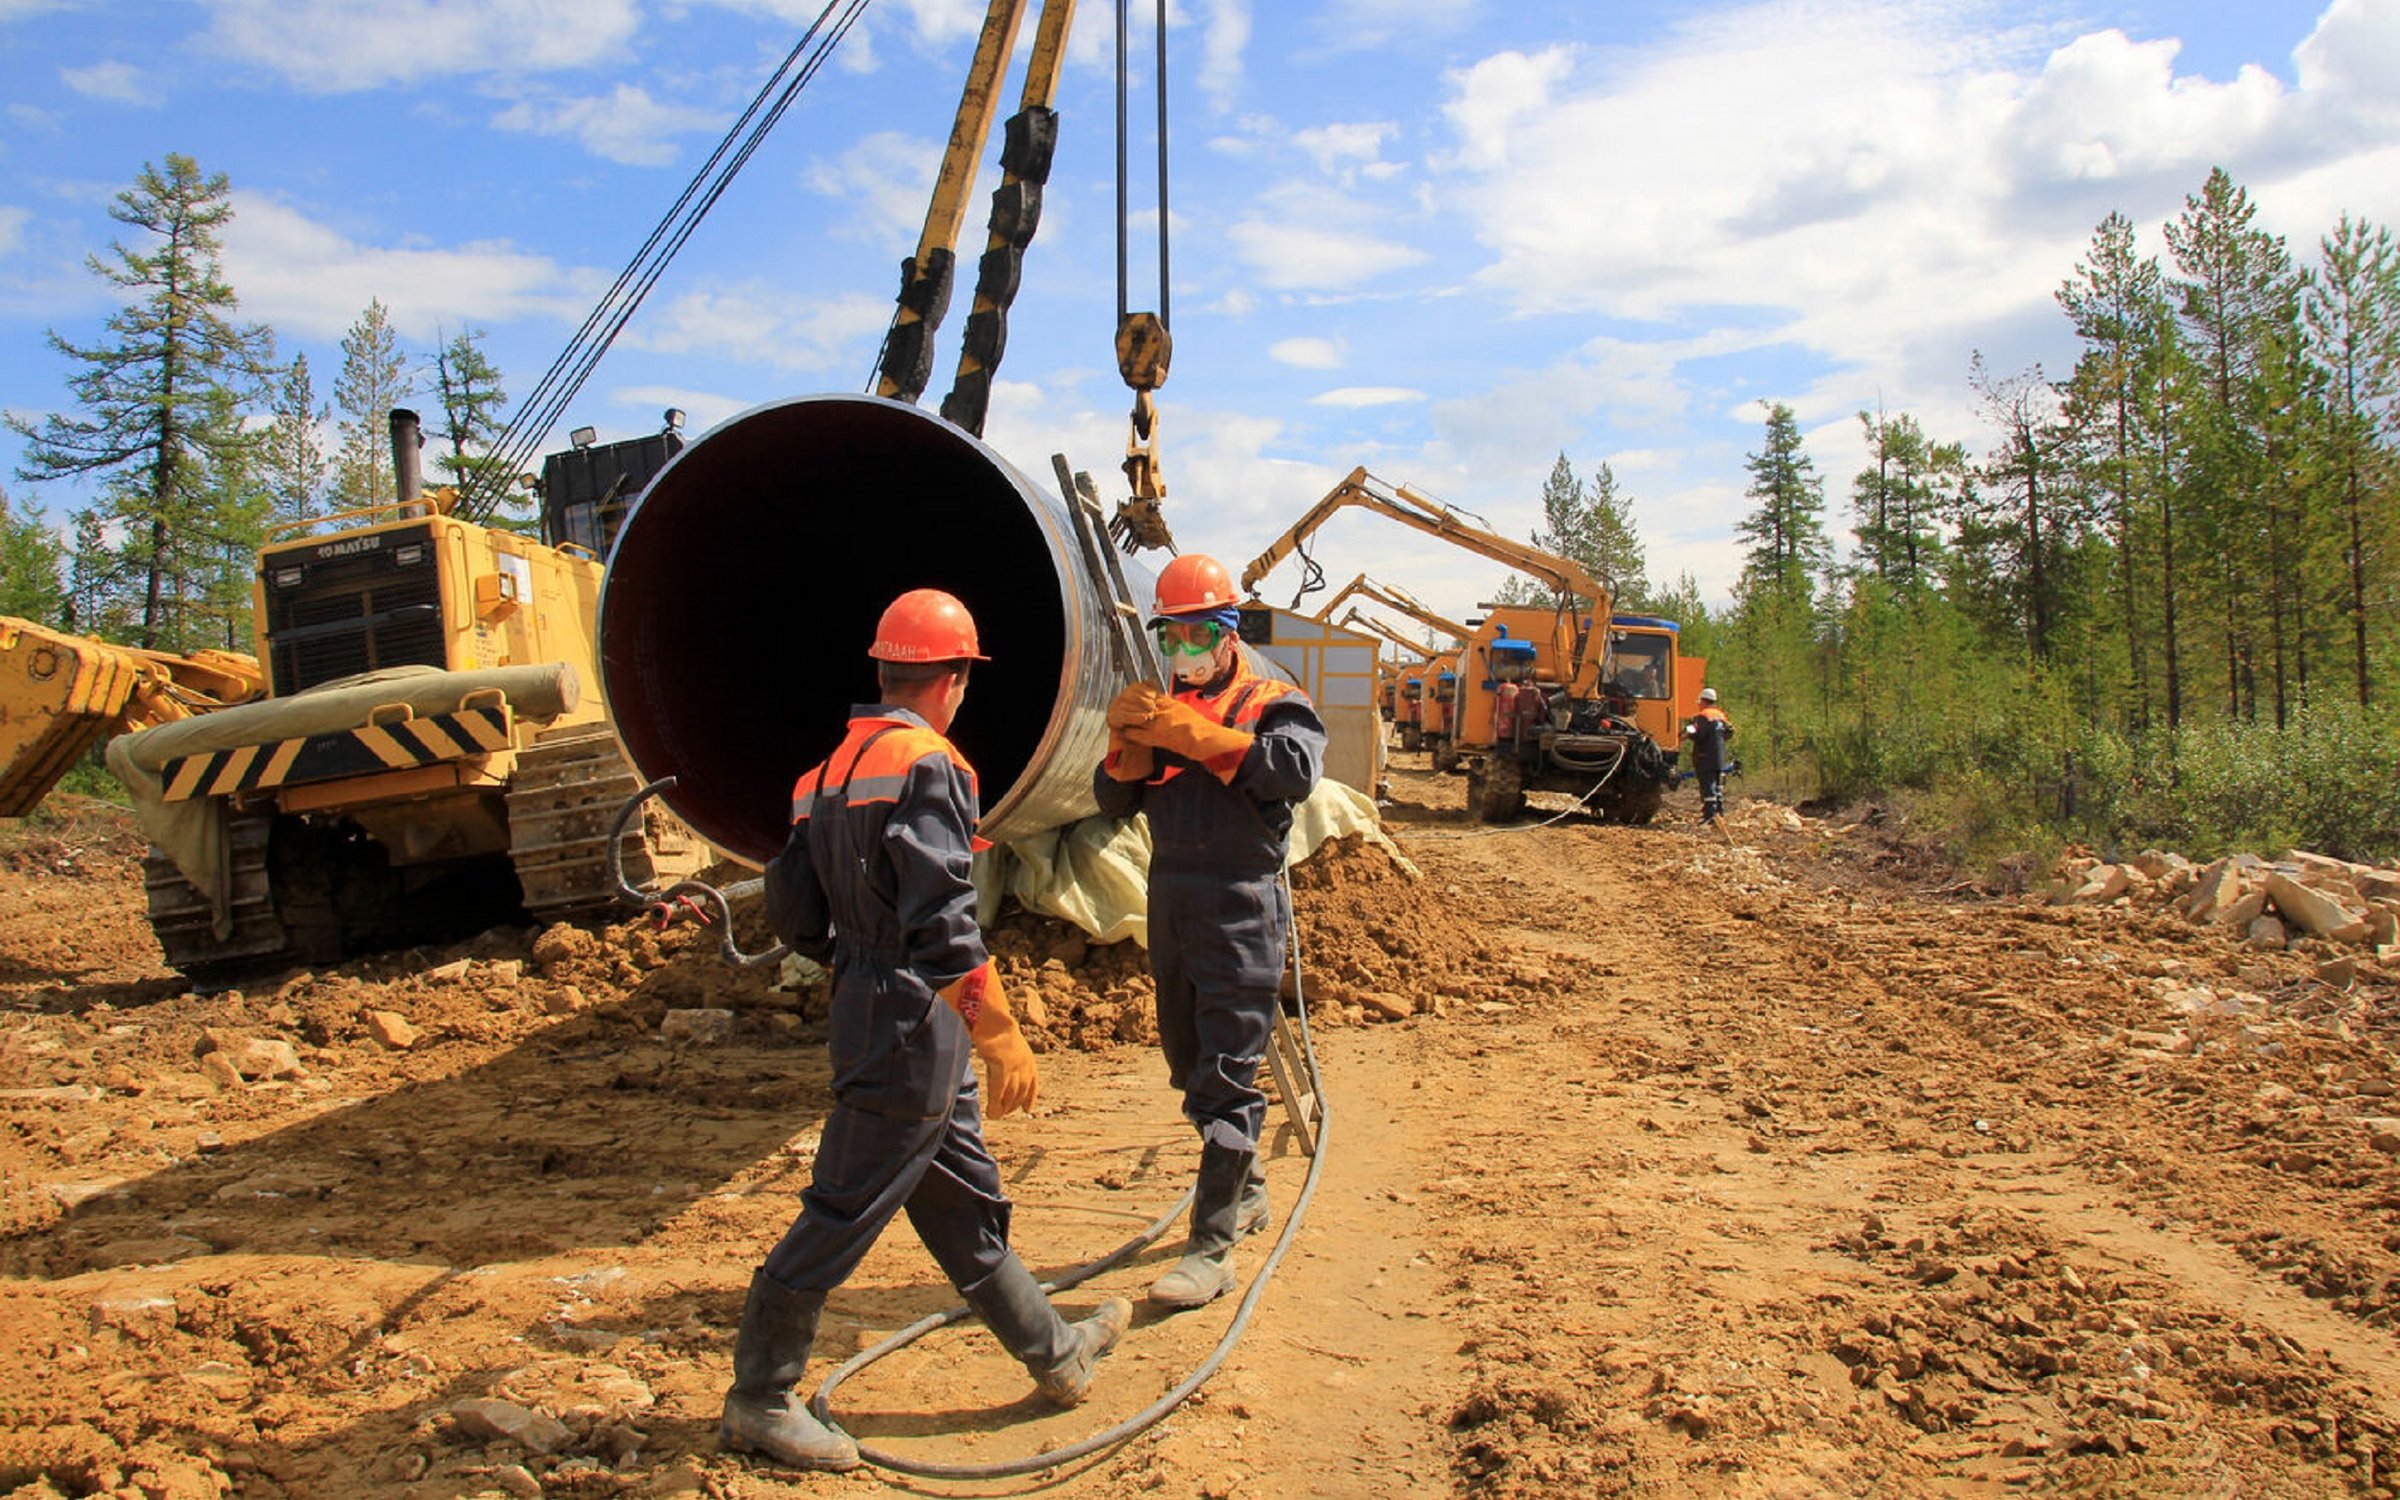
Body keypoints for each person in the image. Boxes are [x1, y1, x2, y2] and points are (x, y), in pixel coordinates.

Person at [725, 588, 1131, 1472]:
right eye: (964, 677)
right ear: (950, 678)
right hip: (914, 1018)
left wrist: (855, 953)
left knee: (961, 1203)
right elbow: (944, 923)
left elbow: (793, 914)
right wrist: (998, 1030)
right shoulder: (931, 764)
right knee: (843, 1205)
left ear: (883, 670)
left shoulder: (821, 775)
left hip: (869, 1001)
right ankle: (759, 1394)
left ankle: (1056, 1351)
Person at [1093, 555, 1327, 1309]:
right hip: (1172, 898)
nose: (1182, 653)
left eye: (1196, 635)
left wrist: (1198, 737)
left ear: (1229, 634)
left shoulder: (1272, 697)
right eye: (1171, 638)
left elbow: (1291, 772)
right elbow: (1112, 803)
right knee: (1189, 1067)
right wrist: (1124, 745)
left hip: (1239, 900)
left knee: (1228, 1074)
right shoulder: (1159, 707)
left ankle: (1212, 1247)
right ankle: (1247, 1185)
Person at [1682, 685, 1734, 825]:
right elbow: (1729, 732)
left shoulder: (1702, 716)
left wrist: (1687, 731)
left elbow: (1698, 734)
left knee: (1708, 786)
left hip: (1704, 757)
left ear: (1703, 701)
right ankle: (1719, 814)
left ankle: (1709, 816)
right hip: (1719, 758)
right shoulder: (1721, 716)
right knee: (1717, 786)